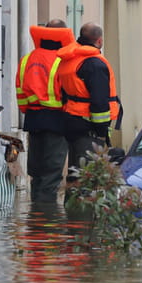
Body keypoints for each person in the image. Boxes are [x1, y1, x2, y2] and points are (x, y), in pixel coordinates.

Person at [16, 19, 75, 203]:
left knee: (36, 172)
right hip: (56, 120)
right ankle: (47, 222)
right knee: (51, 172)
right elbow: (67, 93)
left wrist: (28, 110)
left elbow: (20, 90)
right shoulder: (62, 61)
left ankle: (35, 218)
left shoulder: (27, 59)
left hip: (33, 120)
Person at [57, 22, 121, 180]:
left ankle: (72, 202)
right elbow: (99, 102)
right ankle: (80, 204)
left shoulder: (69, 60)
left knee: (75, 171)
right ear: (99, 41)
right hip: (88, 126)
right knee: (86, 174)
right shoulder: (95, 64)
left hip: (71, 120)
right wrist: (101, 132)